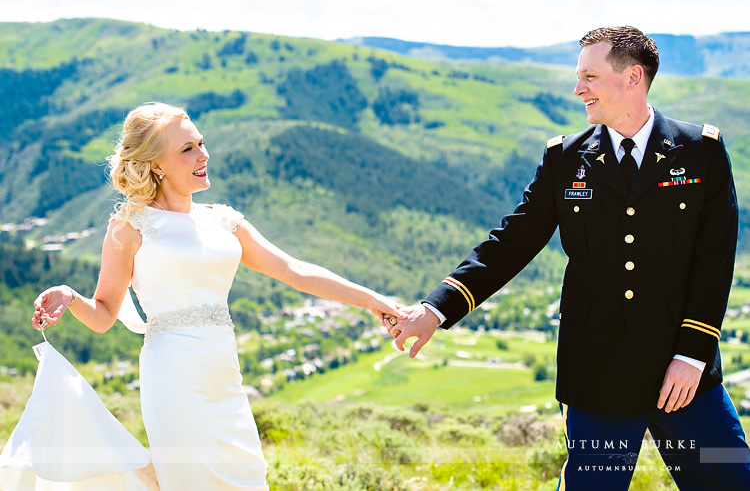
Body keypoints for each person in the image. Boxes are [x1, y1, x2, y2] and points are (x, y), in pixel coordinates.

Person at [387, 26, 750, 490]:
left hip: (685, 375)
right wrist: (437, 308)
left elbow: (715, 261)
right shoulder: (565, 159)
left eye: (590, 77)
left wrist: (693, 355)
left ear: (633, 77)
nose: (578, 89)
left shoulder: (701, 152)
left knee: (731, 481)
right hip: (596, 373)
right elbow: (510, 243)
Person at [26, 101, 406, 490]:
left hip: (223, 372)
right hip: (173, 375)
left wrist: (373, 299)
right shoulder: (130, 227)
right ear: (155, 164)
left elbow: (295, 271)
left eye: (201, 143)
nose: (203, 155)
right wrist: (71, 296)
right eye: (187, 149)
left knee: (247, 476)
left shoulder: (223, 220)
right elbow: (105, 315)